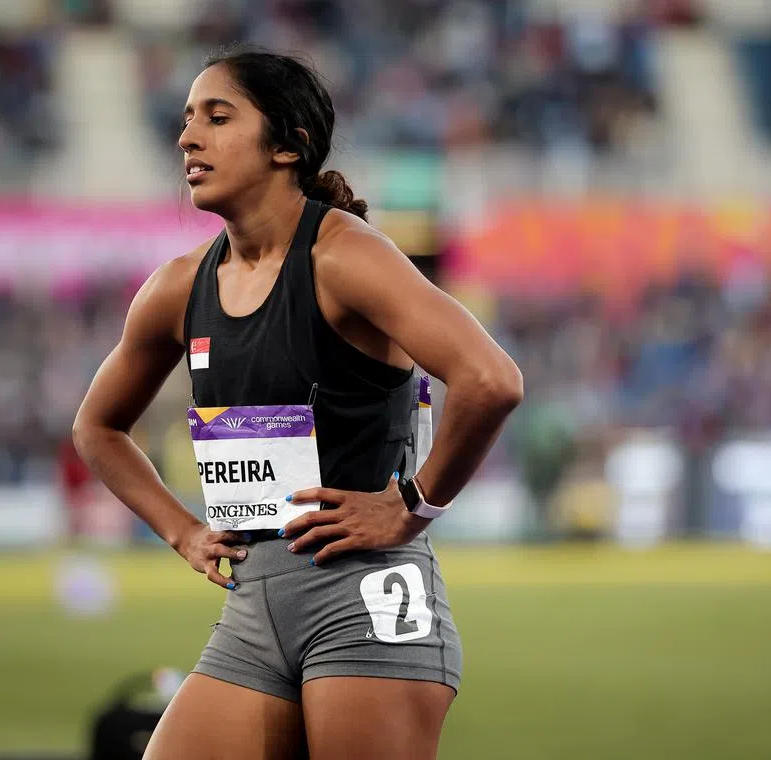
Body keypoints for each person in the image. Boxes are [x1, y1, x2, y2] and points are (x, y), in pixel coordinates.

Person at [72, 49, 523, 760]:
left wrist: (412, 505)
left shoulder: (343, 257)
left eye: (218, 118)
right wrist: (182, 530)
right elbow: (96, 427)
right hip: (253, 603)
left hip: (365, 599)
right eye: (188, 120)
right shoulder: (176, 288)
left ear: (288, 145)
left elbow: (491, 380)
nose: (188, 137)